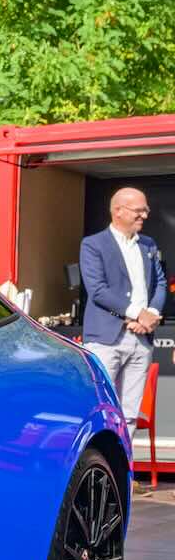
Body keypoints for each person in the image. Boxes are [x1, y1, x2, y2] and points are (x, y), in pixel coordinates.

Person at [80, 187, 166, 449]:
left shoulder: (148, 245)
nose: (145, 215)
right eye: (139, 210)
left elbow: (160, 282)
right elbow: (97, 291)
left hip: (141, 339)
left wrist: (150, 315)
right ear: (118, 211)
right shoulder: (93, 244)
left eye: (145, 210)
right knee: (102, 409)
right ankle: (99, 467)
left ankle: (123, 473)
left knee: (129, 414)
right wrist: (136, 312)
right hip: (106, 339)